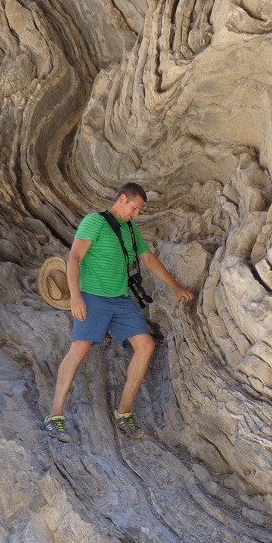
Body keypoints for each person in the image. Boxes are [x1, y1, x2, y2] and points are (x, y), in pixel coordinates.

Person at [43, 183, 193, 442]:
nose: (136, 214)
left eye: (139, 211)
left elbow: (148, 260)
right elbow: (75, 257)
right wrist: (76, 296)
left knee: (145, 346)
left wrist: (176, 288)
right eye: (134, 208)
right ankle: (55, 416)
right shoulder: (95, 221)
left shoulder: (131, 230)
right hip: (92, 296)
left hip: (120, 299)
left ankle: (123, 413)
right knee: (79, 349)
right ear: (122, 199)